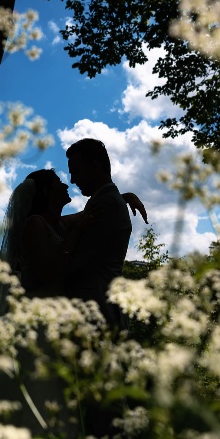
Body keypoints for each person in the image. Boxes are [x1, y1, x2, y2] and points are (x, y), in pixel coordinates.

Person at [63, 138, 133, 330]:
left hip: (97, 312)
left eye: (76, 171)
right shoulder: (103, 200)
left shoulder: (105, 203)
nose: (73, 180)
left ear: (94, 166)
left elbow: (73, 262)